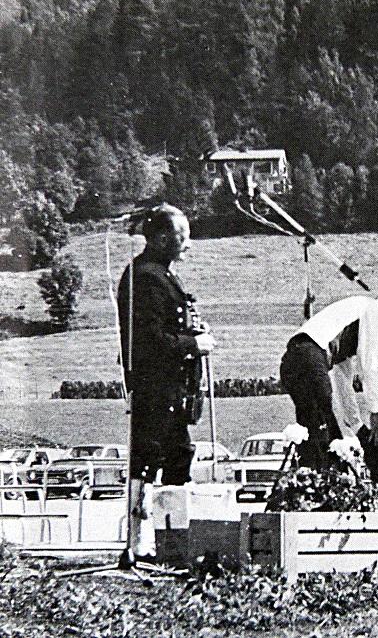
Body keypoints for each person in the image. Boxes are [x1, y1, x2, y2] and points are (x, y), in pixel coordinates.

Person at [118, 204, 216, 557]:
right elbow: (149, 340)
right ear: (161, 239)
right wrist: (194, 344)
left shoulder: (160, 274)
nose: (188, 243)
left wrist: (192, 332)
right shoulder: (146, 277)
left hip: (171, 387)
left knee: (178, 454)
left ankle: (170, 541)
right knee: (149, 457)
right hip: (155, 386)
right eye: (182, 236)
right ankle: (140, 542)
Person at [279, 294, 378, 469]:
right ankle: (323, 481)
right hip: (310, 356)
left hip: (293, 360)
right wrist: (376, 412)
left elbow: (344, 386)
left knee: (312, 433)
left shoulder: (346, 331)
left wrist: (357, 426)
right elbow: (370, 364)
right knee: (325, 433)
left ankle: (309, 483)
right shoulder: (377, 310)